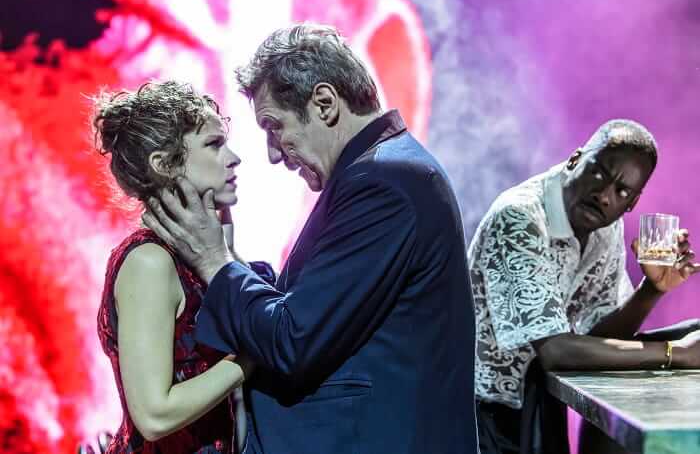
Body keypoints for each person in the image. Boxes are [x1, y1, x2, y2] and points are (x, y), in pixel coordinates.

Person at [143, 24, 479, 454]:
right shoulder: (380, 173)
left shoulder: (384, 184)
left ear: (324, 104)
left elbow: (293, 340)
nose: (273, 153)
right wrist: (229, 260)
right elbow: (309, 312)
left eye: (274, 127)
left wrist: (215, 262)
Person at [468, 119, 700, 454]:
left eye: (622, 191)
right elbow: (556, 352)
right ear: (576, 159)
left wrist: (652, 290)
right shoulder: (519, 217)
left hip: (539, 406)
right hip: (479, 413)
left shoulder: (605, 225)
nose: (604, 196)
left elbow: (599, 336)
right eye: (598, 173)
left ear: (632, 203)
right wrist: (675, 353)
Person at [94, 81, 261, 453]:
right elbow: (155, 415)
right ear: (164, 165)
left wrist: (224, 242)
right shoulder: (149, 262)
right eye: (214, 144)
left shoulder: (193, 257)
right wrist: (252, 357)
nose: (234, 158)